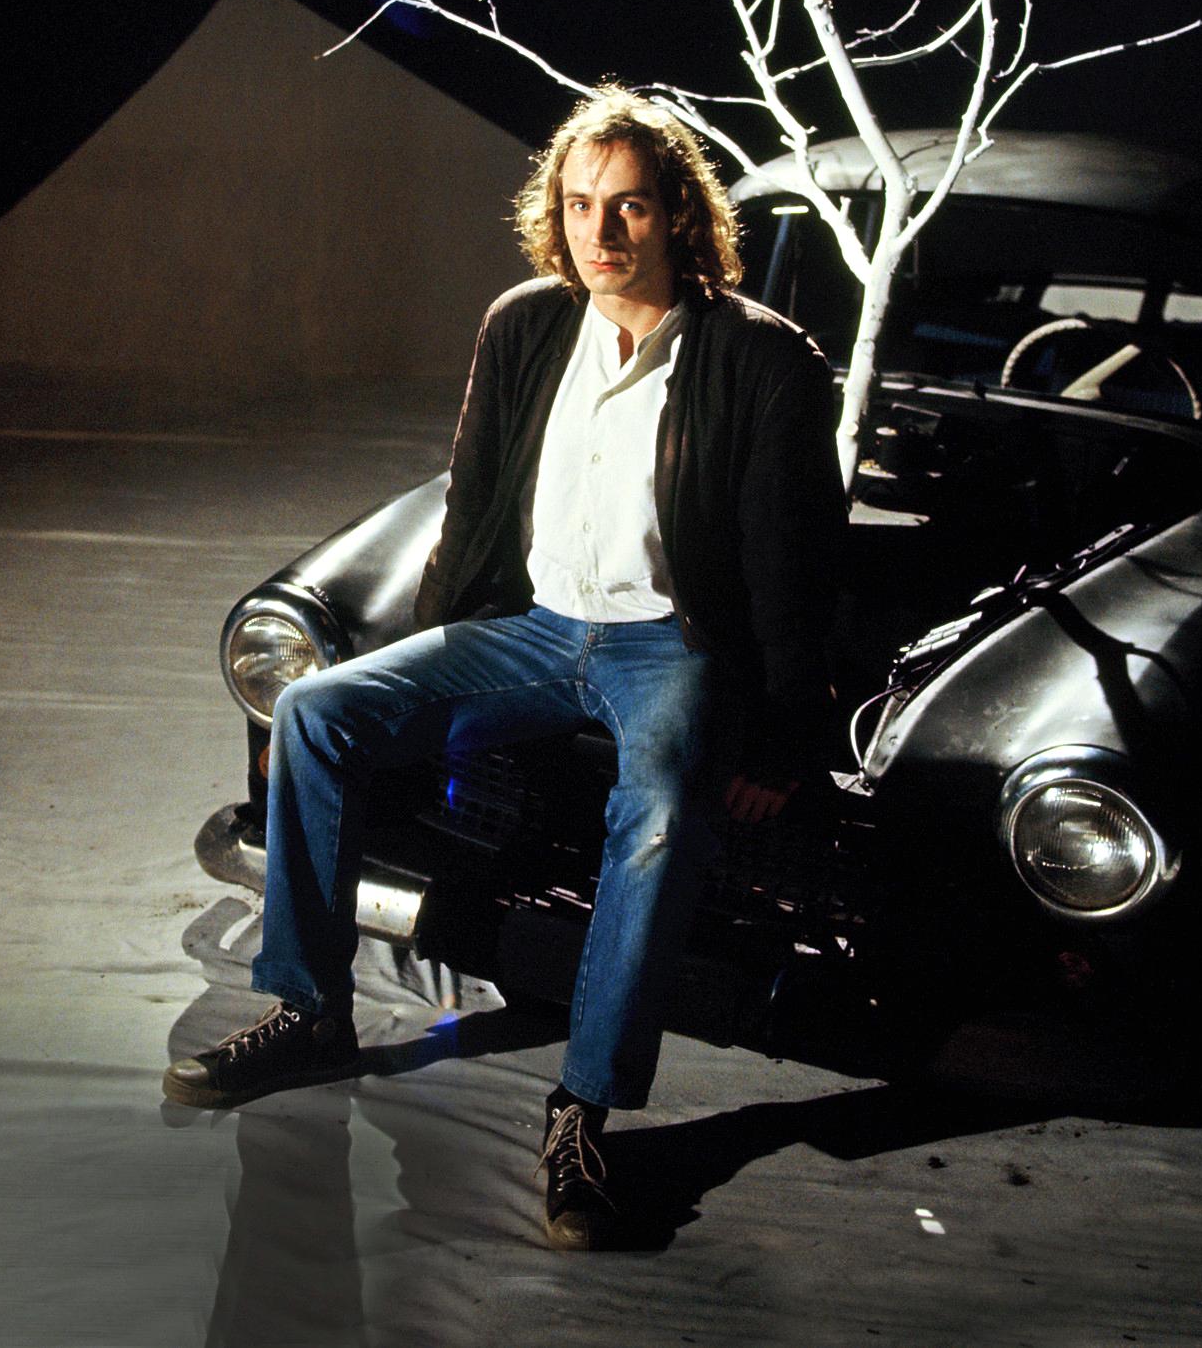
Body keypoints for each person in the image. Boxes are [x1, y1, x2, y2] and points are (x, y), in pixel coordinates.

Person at [164, 86, 845, 1249]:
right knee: (320, 712)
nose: (602, 232)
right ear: (555, 213)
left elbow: (797, 564)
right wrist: (408, 684)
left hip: (662, 644)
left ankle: (581, 1107)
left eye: (628, 206)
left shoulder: (759, 359)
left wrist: (784, 734)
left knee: (660, 818)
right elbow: (471, 515)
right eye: (581, 206)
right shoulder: (527, 324)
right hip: (530, 626)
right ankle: (308, 1011)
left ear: (678, 214)